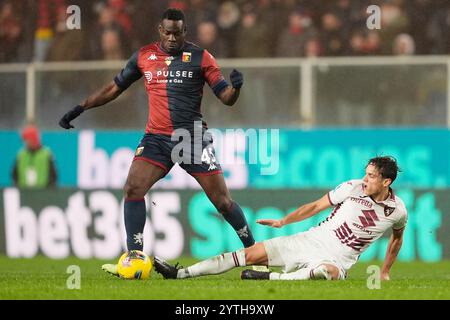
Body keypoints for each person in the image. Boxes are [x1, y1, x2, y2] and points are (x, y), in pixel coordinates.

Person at [58, 8, 256, 275]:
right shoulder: (144, 56)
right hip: (157, 138)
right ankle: (135, 256)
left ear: (184, 32)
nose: (172, 38)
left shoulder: (201, 57)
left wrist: (237, 89)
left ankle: (254, 251)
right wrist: (81, 107)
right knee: (133, 188)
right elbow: (114, 88)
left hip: (191, 139)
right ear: (160, 31)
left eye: (177, 33)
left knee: (222, 202)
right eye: (168, 33)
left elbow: (225, 97)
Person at [153, 156, 407, 281]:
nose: (365, 179)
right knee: (248, 255)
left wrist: (384, 271)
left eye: (371, 176)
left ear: (386, 181)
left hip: (338, 260)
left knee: (325, 272)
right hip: (310, 240)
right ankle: (179, 274)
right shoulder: (352, 187)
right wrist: (284, 221)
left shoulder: (397, 210)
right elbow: (316, 206)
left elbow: (397, 238)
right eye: (365, 174)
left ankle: (269, 278)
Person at [12, 124, 57, 188]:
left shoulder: (46, 154)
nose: (26, 142)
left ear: (34, 139)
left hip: (42, 193)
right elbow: (14, 174)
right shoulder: (21, 154)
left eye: (27, 140)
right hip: (24, 192)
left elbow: (53, 175)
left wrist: (48, 190)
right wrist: (18, 187)